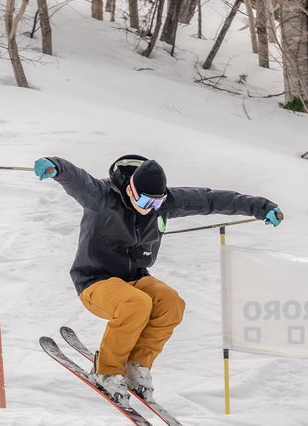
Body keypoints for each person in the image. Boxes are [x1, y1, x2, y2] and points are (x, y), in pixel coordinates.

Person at [34, 154, 282, 403]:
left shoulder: (162, 204)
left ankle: (136, 366)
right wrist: (56, 167)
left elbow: (209, 199)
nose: (149, 207)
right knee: (137, 304)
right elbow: (78, 180)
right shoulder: (103, 197)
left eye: (156, 203)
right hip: (95, 280)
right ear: (130, 188)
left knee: (171, 303)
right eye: (143, 200)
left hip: (135, 277)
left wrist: (261, 207)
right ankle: (106, 371)